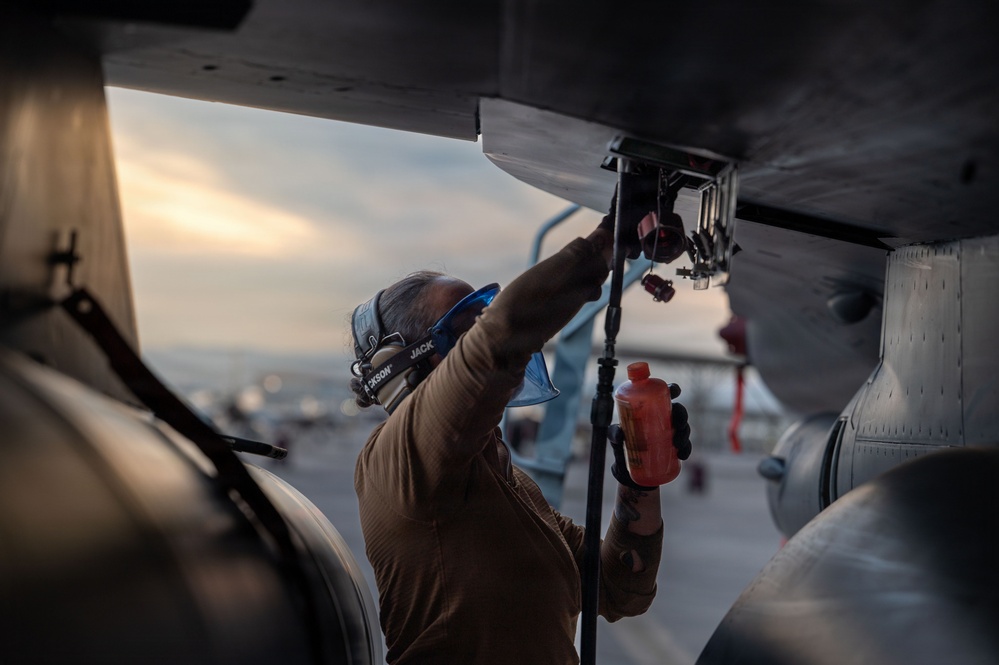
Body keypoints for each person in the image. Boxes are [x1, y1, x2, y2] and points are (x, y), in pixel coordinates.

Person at [348, 206, 692, 664]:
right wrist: (603, 245)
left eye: (483, 319)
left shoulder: (505, 477)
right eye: (466, 330)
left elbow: (617, 588)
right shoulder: (398, 458)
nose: (484, 333)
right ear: (402, 363)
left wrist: (639, 481)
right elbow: (498, 344)